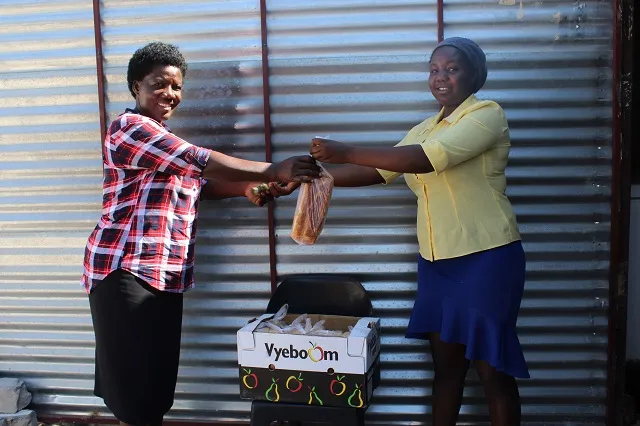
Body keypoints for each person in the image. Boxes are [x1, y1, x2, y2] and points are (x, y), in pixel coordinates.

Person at [81, 42, 318, 426]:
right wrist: (274, 169)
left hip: (162, 275)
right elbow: (196, 159)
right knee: (134, 392)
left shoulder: (160, 140)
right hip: (125, 272)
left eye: (176, 86)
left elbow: (195, 186)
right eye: (159, 84)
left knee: (153, 387)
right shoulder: (130, 129)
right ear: (135, 86)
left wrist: (243, 189)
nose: (170, 94)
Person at [310, 37, 528, 426]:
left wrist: (345, 150)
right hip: (436, 264)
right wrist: (312, 178)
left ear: (474, 74)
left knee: (493, 371)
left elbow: (423, 160)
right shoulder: (427, 127)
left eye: (452, 68)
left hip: (487, 258)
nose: (440, 77)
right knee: (445, 372)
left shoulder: (487, 114)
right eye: (433, 69)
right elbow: (379, 170)